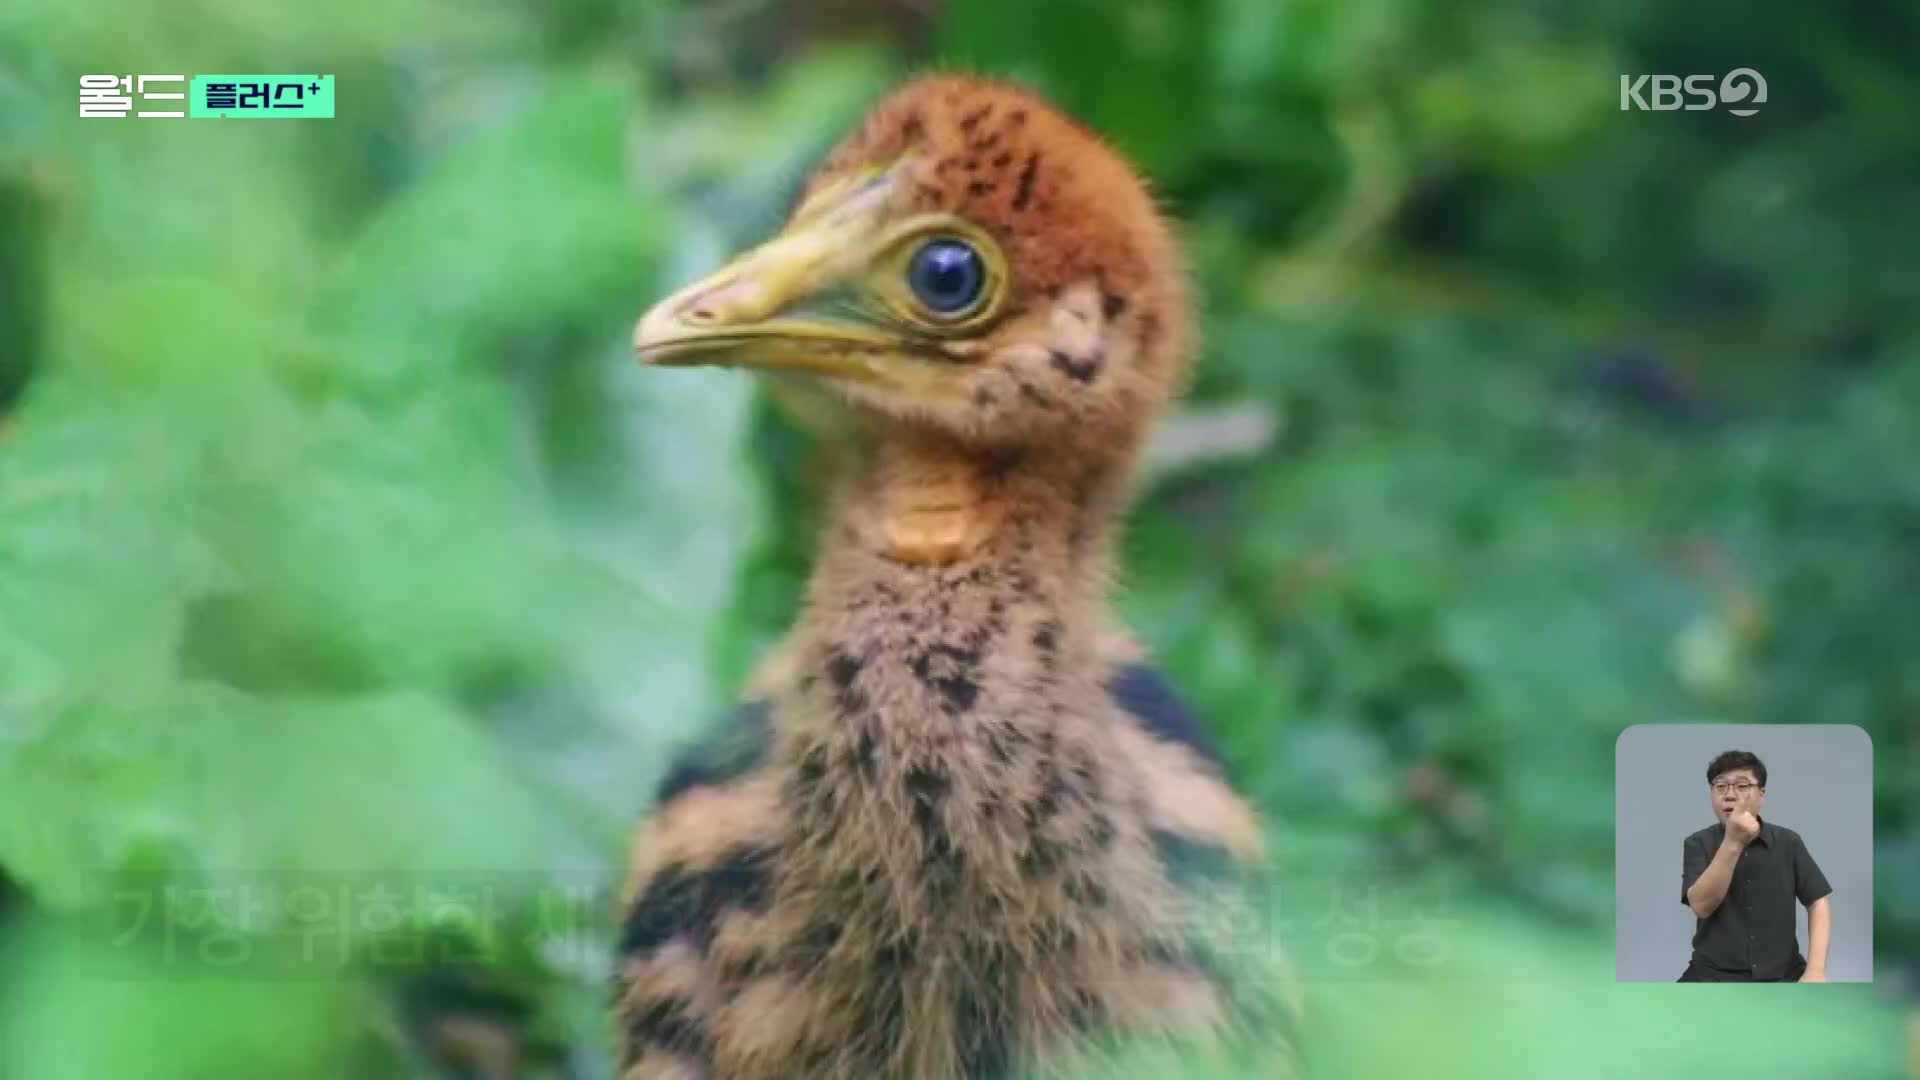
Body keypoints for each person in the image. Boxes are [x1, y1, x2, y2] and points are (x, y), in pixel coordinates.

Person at [1678, 750, 1832, 982]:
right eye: (1720, 787)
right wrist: (1733, 841)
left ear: (1761, 795)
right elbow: (1701, 906)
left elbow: (1818, 902)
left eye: (1742, 786)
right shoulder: (1697, 843)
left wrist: (1816, 970)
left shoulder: (1788, 842)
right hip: (1711, 975)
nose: (1730, 795)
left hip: (1784, 974)